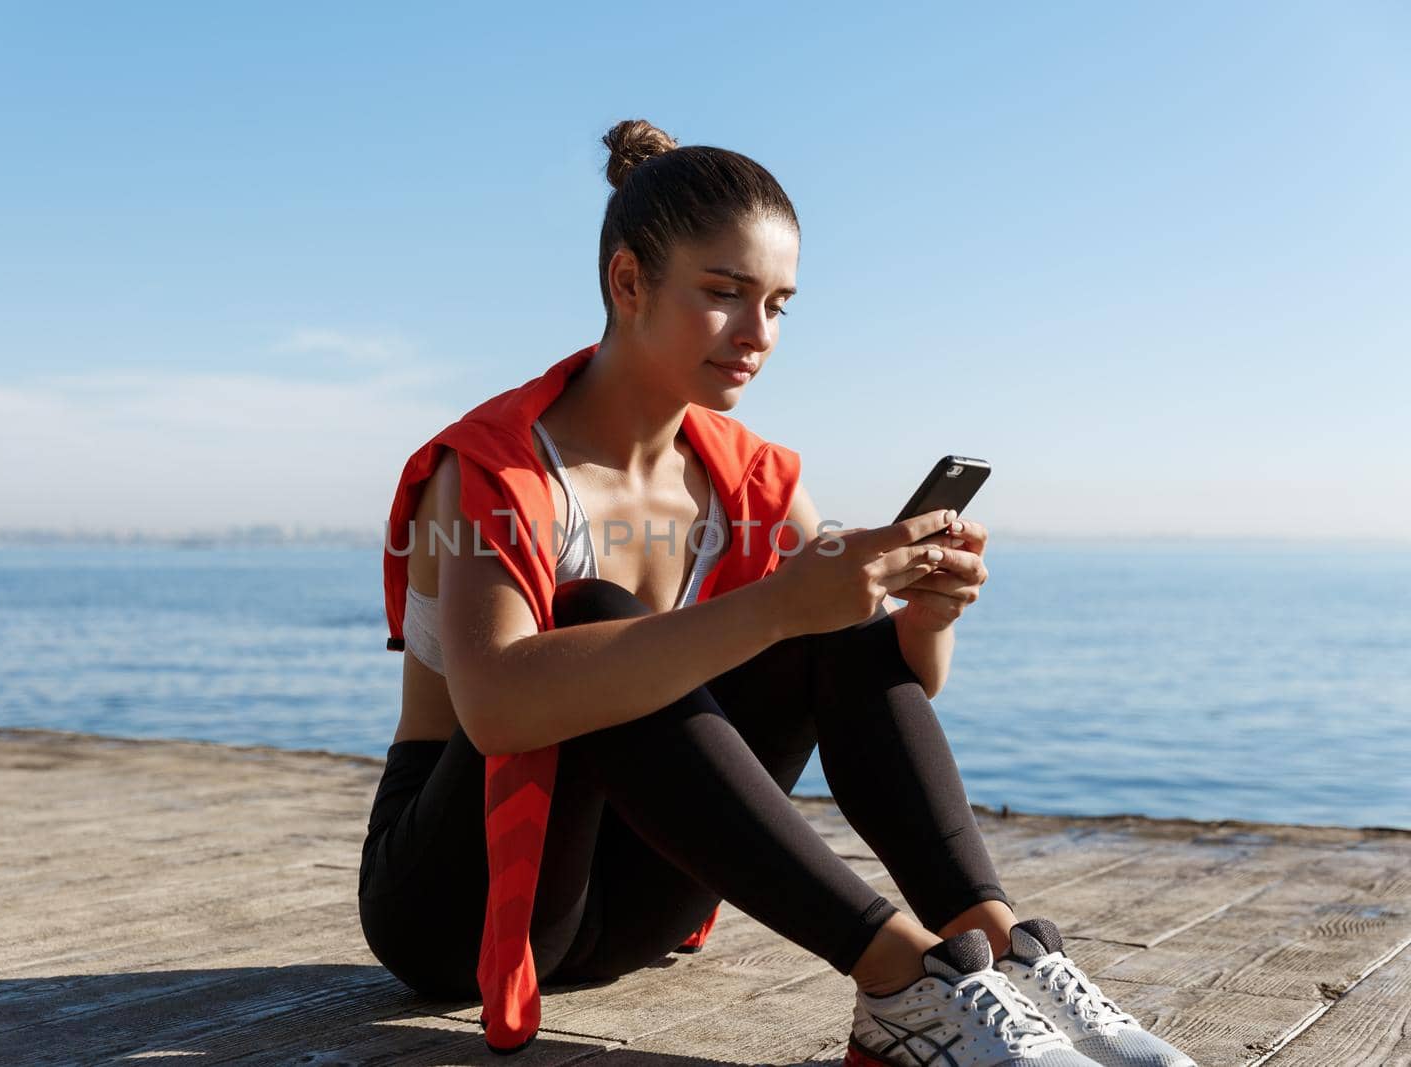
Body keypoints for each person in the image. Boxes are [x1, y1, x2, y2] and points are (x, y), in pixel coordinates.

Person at [359, 119, 1197, 1067]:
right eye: (724, 296)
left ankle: (996, 951)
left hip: (640, 906)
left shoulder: (751, 476)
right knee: (594, 617)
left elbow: (878, 678)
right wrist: (778, 605)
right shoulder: (494, 469)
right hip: (458, 907)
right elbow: (500, 704)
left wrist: (923, 615)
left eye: (780, 305)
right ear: (628, 282)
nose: (757, 335)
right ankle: (901, 978)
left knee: (836, 614)